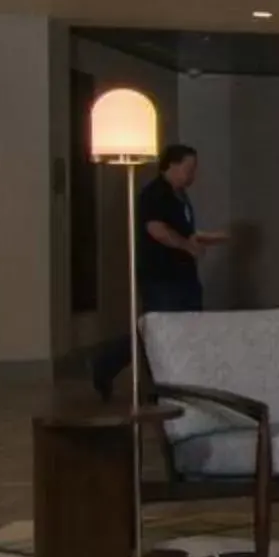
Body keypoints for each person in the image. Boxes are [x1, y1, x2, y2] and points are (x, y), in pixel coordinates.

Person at [90, 142, 228, 399]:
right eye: (189, 168)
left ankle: (180, 384)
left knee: (186, 328)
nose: (193, 175)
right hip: (162, 277)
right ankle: (111, 365)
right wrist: (187, 246)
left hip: (184, 276)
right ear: (172, 166)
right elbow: (157, 229)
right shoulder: (155, 194)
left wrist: (210, 238)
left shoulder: (180, 196)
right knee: (158, 331)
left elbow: (183, 231)